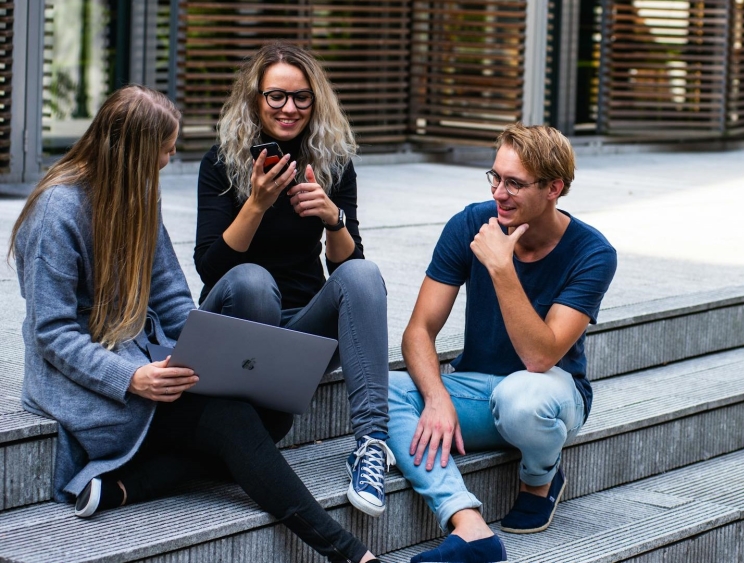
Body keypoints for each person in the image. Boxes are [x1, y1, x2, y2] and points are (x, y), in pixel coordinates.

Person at [9, 85, 380, 563]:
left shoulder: (138, 195)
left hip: (149, 362)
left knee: (273, 416)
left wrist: (205, 353)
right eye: (164, 150)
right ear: (133, 150)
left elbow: (171, 297)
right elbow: (52, 333)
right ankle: (348, 552)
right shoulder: (56, 212)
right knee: (233, 421)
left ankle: (129, 485)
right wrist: (132, 378)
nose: (167, 161)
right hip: (91, 384)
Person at [386, 124, 617, 563]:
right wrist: (435, 397)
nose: (500, 193)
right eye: (495, 177)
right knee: (382, 388)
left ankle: (540, 476)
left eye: (514, 183)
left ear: (554, 188)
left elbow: (540, 356)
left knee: (521, 396)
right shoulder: (470, 223)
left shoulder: (593, 253)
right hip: (476, 388)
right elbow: (418, 330)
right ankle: (467, 525)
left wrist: (502, 268)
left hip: (549, 394)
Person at [194, 43, 393, 518]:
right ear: (255, 99)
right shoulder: (221, 162)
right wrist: (257, 203)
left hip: (301, 333)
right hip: (238, 323)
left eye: (302, 98)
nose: (289, 108)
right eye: (276, 96)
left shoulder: (333, 162)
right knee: (253, 281)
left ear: (316, 101)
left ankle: (370, 445)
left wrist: (333, 218)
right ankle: (247, 425)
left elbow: (349, 270)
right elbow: (211, 268)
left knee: (363, 274)